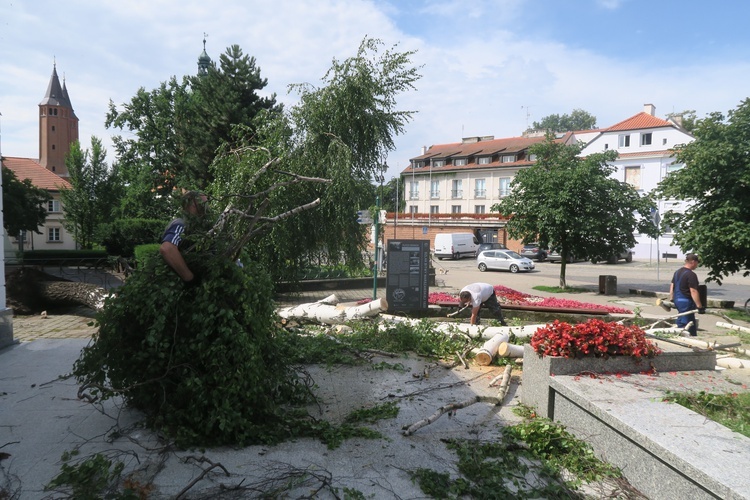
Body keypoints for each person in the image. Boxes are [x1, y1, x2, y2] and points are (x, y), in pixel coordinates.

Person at [159, 191, 208, 285]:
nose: (205, 210)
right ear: (192, 205)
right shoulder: (181, 224)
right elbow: (167, 248)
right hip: (178, 286)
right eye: (202, 205)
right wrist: (190, 278)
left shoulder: (194, 228)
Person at [669, 253, 704, 336]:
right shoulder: (691, 275)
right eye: (697, 263)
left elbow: (672, 286)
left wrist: (671, 298)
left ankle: (684, 336)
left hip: (678, 300)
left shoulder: (677, 272)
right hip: (686, 302)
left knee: (683, 319)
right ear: (692, 262)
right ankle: (685, 339)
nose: (697, 265)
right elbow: (693, 291)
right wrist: (699, 306)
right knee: (687, 323)